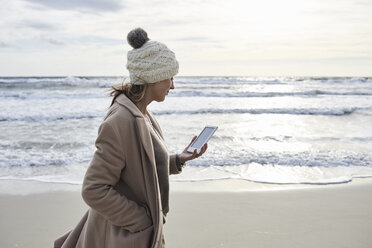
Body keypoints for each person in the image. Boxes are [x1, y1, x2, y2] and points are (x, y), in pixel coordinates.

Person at [54, 28, 208, 248]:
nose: (173, 85)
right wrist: (142, 221)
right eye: (170, 78)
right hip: (124, 237)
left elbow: (139, 167)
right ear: (152, 78)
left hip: (140, 234)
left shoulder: (143, 113)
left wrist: (177, 160)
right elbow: (94, 189)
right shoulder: (120, 121)